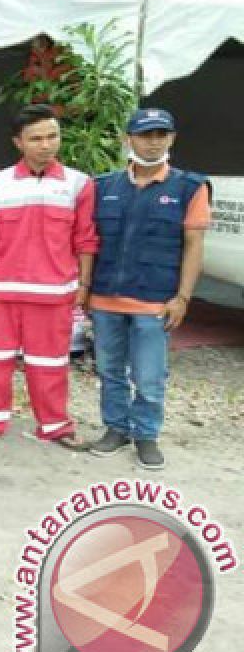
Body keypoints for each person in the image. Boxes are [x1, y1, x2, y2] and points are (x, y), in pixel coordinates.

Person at [0, 104, 97, 448]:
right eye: (36, 138)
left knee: (50, 363)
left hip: (53, 293)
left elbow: (85, 239)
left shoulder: (78, 184)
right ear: (18, 142)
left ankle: (55, 425)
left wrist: (83, 285)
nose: (46, 145)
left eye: (52, 136)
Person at [86, 108, 210, 471]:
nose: (153, 142)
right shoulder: (103, 187)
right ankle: (115, 428)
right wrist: (85, 289)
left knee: (149, 374)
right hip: (106, 297)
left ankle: (146, 435)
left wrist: (183, 297)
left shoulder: (190, 187)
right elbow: (90, 242)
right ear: (129, 139)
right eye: (145, 135)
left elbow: (194, 246)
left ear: (171, 139)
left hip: (156, 300)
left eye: (161, 135)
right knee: (109, 370)